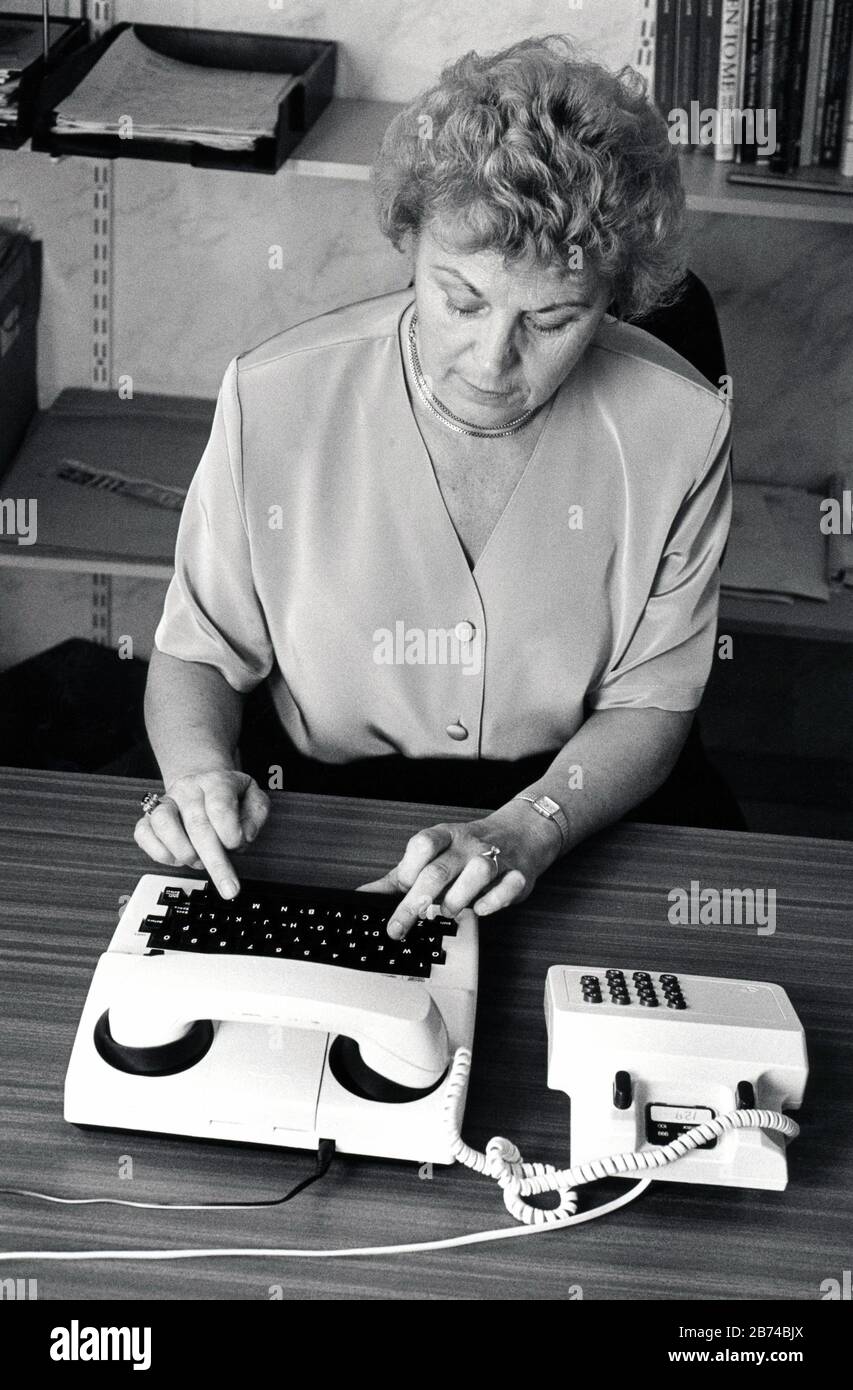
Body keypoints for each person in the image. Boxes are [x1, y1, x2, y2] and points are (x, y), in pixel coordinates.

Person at [136, 36, 732, 941]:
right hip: (321, 815)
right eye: (460, 299)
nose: (494, 360)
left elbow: (652, 700)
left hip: (575, 812)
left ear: (613, 295)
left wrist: (527, 828)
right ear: (409, 242)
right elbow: (200, 652)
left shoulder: (680, 427)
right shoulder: (275, 398)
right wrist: (197, 774)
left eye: (553, 318)